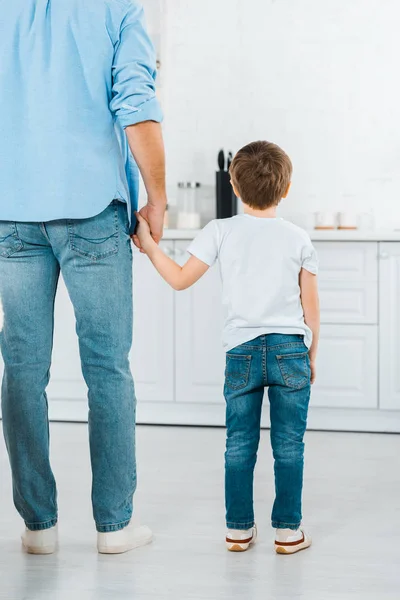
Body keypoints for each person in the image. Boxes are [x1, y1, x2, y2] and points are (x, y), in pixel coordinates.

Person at [0, 0, 166, 555]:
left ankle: (38, 527)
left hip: (13, 211)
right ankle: (114, 527)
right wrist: (158, 196)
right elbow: (136, 104)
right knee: (107, 368)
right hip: (93, 209)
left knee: (22, 369)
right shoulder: (118, 8)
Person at [135, 141, 320, 555]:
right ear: (286, 188)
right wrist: (311, 357)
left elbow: (180, 279)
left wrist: (149, 245)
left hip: (242, 351)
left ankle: (239, 529)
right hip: (290, 349)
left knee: (239, 443)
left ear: (234, 187)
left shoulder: (220, 230)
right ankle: (288, 533)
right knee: (289, 445)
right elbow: (311, 308)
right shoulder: (298, 237)